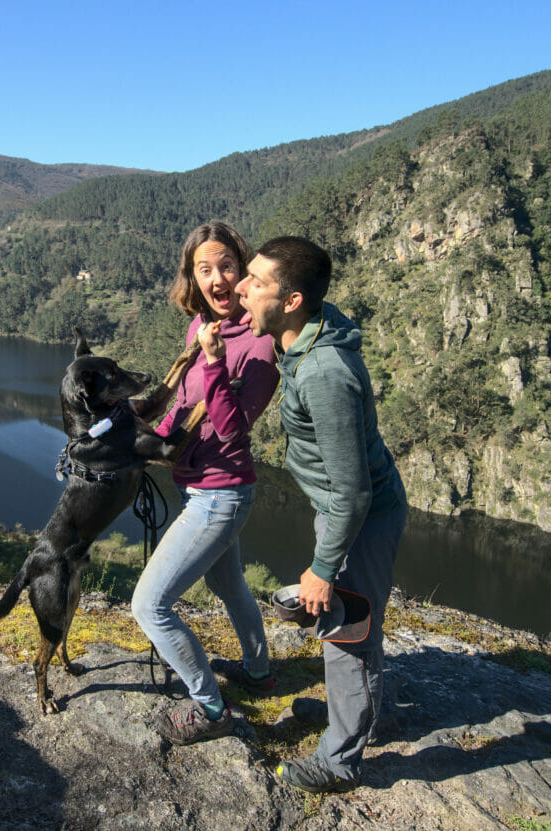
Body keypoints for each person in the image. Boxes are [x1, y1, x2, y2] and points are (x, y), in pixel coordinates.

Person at [235, 236, 407, 792]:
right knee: (352, 629)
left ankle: (339, 761)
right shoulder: (307, 335)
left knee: (346, 634)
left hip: (356, 518)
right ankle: (352, 716)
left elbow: (353, 492)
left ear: (291, 300)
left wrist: (323, 567)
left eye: (256, 281)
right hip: (344, 512)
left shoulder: (323, 372)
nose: (241, 286)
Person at [131, 221, 280, 745]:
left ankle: (211, 708)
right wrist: (150, 439)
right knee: (227, 584)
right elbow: (186, 404)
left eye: (226, 267)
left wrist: (216, 363)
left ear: (243, 273)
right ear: (192, 278)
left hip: (222, 494)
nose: (217, 279)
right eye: (204, 269)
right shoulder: (198, 326)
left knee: (149, 606)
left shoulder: (258, 347)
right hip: (198, 486)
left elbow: (236, 432)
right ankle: (260, 672)